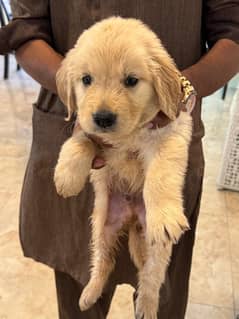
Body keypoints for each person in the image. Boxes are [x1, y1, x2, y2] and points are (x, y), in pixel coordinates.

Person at [0, 1, 239, 318]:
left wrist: (179, 90)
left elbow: (232, 30)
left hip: (165, 132)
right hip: (73, 128)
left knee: (161, 281)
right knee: (79, 284)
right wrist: (77, 82)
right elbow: (27, 29)